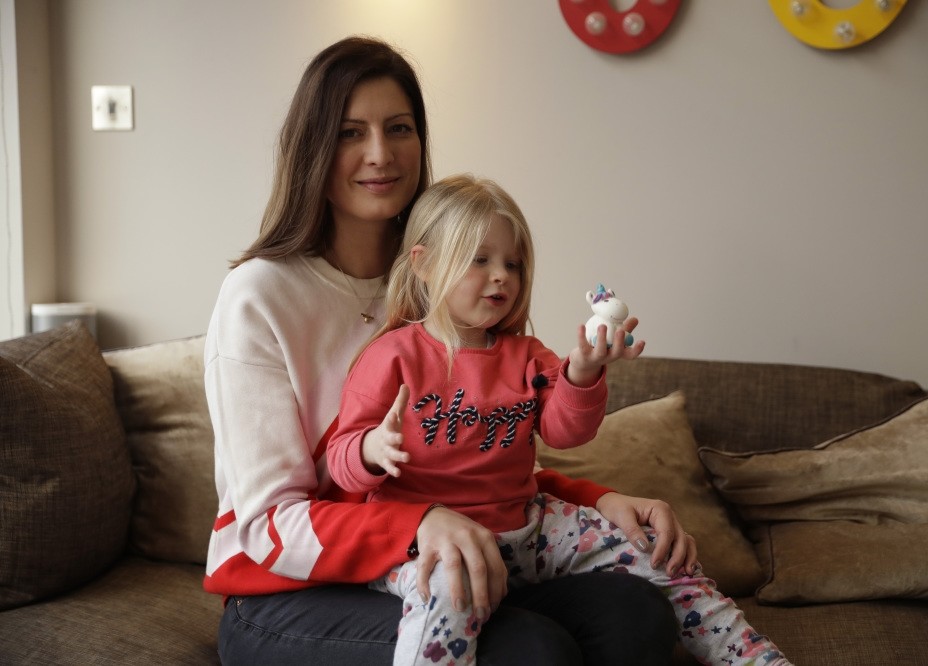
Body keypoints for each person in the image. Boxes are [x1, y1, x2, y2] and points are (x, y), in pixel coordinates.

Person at [204, 36, 696, 665]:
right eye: (351, 133)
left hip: (433, 558)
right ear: (313, 150)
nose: (380, 154)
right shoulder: (259, 295)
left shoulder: (450, 277)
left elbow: (470, 455)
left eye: (399, 128)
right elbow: (268, 525)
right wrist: (416, 523)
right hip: (290, 591)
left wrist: (598, 501)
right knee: (531, 653)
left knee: (638, 617)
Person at [326, 174, 792, 666]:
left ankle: (756, 659)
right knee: (447, 589)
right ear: (423, 264)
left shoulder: (527, 354)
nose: (501, 275)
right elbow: (340, 460)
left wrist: (584, 372)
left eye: (513, 263)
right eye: (479, 259)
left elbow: (567, 432)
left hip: (530, 529)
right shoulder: (393, 356)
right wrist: (370, 449)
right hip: (431, 549)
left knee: (656, 551)